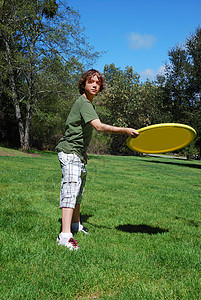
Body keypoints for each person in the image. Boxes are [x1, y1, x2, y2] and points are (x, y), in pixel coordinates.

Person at [56, 69, 139, 250]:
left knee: (78, 192)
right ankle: (64, 236)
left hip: (77, 152)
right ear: (83, 85)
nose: (94, 85)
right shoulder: (84, 102)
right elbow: (99, 127)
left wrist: (83, 150)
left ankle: (76, 225)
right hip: (69, 152)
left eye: (98, 83)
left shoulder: (88, 104)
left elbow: (76, 130)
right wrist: (124, 130)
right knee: (70, 190)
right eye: (90, 82)